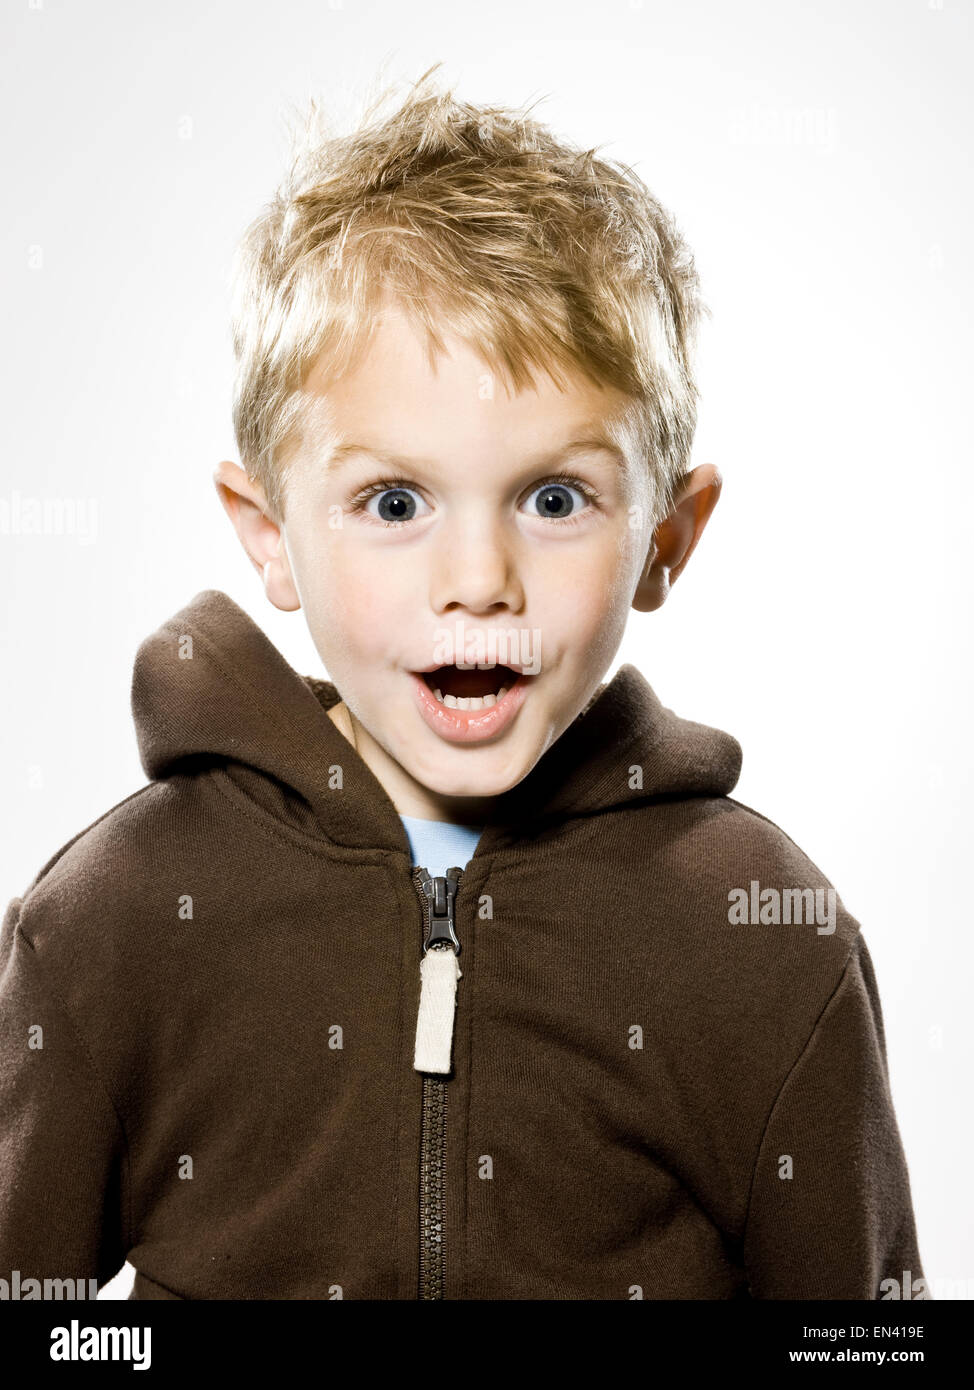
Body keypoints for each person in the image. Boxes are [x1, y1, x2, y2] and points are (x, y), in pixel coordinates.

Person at [0, 64, 926, 1300]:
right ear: (267, 529)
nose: (478, 577)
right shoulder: (114, 916)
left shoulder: (762, 935)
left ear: (667, 535)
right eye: (393, 502)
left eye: (553, 499)